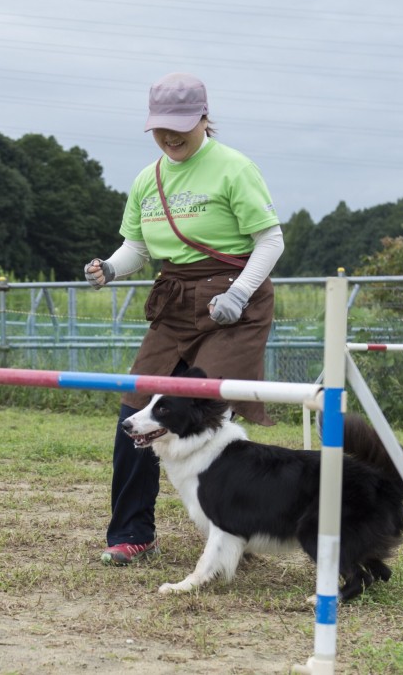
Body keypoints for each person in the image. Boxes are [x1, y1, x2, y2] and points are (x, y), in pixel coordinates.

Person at [84, 72, 284, 565]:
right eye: (161, 129)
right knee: (136, 412)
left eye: (181, 127)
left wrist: (238, 295)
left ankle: (237, 527)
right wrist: (111, 266)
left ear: (203, 119)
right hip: (175, 302)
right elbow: (139, 246)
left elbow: (270, 240)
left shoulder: (234, 168)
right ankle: (132, 532)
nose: (171, 138)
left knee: (208, 414)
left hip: (233, 304)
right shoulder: (146, 180)